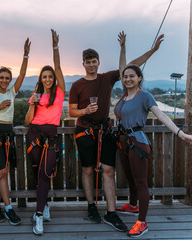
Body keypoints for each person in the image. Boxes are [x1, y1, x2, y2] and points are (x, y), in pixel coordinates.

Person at [68, 32, 164, 232]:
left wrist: (152, 51)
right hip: (84, 131)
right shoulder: (77, 85)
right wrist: (85, 111)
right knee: (87, 170)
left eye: (94, 61)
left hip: (105, 131)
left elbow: (131, 66)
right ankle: (91, 206)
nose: (92, 64)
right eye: (88, 62)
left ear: (99, 62)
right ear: (83, 64)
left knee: (108, 171)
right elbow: (71, 111)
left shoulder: (108, 78)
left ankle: (111, 213)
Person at [114, 65, 192, 237]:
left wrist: (181, 134)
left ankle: (142, 222)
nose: (128, 79)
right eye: (125, 77)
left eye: (132, 76)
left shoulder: (145, 96)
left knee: (141, 182)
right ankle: (133, 206)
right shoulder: (124, 96)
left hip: (136, 143)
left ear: (139, 78)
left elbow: (161, 116)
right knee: (130, 177)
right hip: (123, 142)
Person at [0, 38, 31, 226]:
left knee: (2, 173)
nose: (4, 80)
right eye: (1, 77)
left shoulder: (12, 92)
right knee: (2, 171)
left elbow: (23, 73)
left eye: (7, 78)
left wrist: (25, 54)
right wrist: (0, 107)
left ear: (10, 81)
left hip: (8, 137)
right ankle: (9, 208)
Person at [25, 29, 66, 236]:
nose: (48, 79)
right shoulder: (36, 95)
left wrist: (55, 46)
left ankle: (39, 215)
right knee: (37, 174)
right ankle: (45, 206)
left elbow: (58, 67)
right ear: (41, 79)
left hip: (50, 140)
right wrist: (32, 104)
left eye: (50, 76)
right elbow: (26, 121)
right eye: (45, 76)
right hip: (33, 137)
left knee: (44, 174)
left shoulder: (59, 93)